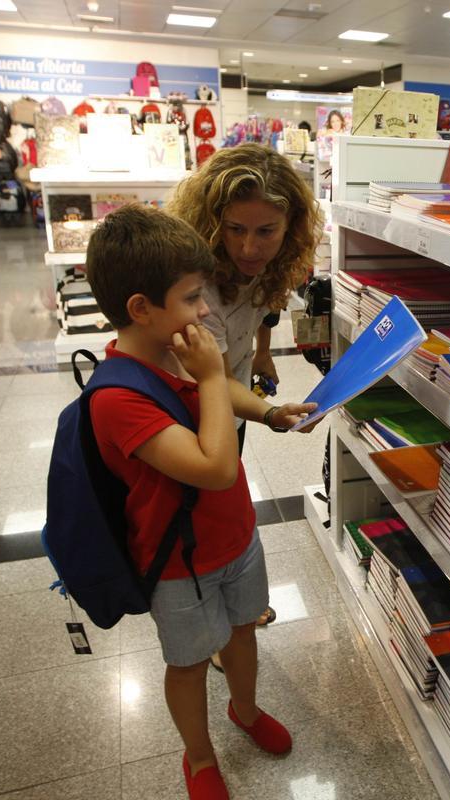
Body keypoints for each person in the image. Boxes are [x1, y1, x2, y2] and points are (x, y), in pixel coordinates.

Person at [84, 204, 315, 800]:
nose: (206, 309)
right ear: (142, 309)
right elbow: (214, 467)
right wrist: (212, 378)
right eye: (191, 297)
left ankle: (244, 708)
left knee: (244, 632)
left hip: (235, 536)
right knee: (187, 663)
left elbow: (222, 397)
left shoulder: (174, 351)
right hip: (178, 563)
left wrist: (266, 410)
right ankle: (200, 756)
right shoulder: (117, 397)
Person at [167, 142, 324, 666]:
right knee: (197, 509)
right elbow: (202, 375)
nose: (250, 247)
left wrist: (260, 355)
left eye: (266, 232)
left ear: (290, 228)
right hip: (184, 406)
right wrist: (271, 413)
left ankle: (237, 600)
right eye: (235, 229)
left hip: (229, 393)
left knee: (226, 493)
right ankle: (213, 624)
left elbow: (265, 305)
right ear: (212, 222)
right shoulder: (193, 279)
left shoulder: (273, 264)